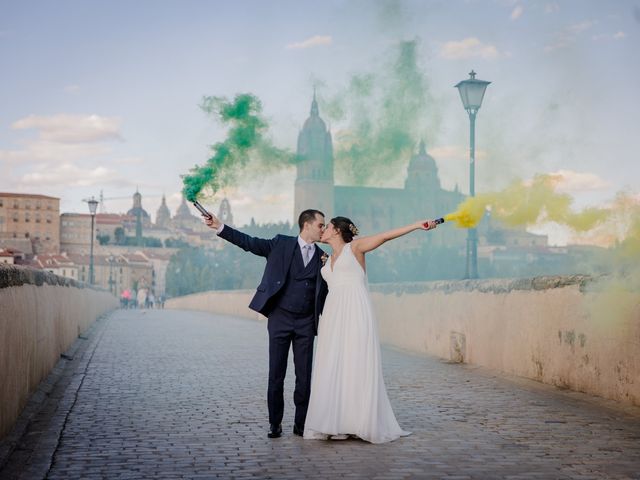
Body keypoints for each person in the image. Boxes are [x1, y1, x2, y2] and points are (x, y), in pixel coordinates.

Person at [304, 216, 438, 444]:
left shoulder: (355, 247)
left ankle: (359, 422)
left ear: (336, 231)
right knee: (334, 364)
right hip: (333, 315)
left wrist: (416, 225)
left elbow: (385, 236)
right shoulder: (325, 259)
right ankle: (336, 423)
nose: (323, 230)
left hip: (355, 310)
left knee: (356, 362)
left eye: (327, 227)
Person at [204, 209, 329, 439]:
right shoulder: (280, 244)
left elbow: (327, 293)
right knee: (276, 375)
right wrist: (220, 226)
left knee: (304, 377)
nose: (324, 228)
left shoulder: (323, 257)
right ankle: (275, 423)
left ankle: (300, 424)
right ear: (307, 224)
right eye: (321, 224)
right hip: (280, 319)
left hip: (305, 323)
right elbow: (249, 243)